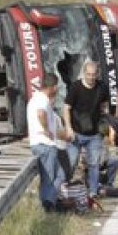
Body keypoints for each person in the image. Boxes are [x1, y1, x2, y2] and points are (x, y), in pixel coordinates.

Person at [64, 61, 111, 197]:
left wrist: (106, 124)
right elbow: (66, 108)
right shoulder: (76, 87)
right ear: (84, 73)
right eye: (88, 75)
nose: (91, 78)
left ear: (97, 74)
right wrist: (68, 128)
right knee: (72, 162)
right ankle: (63, 188)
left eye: (93, 75)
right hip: (76, 132)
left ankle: (93, 192)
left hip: (94, 133)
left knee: (94, 163)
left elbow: (105, 106)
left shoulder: (102, 87)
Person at [28, 74, 69, 211]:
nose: (57, 90)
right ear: (53, 87)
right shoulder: (42, 99)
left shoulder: (35, 99)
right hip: (44, 144)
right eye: (56, 87)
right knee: (49, 178)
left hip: (40, 143)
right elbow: (41, 114)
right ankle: (47, 205)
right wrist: (46, 130)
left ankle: (49, 201)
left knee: (60, 175)